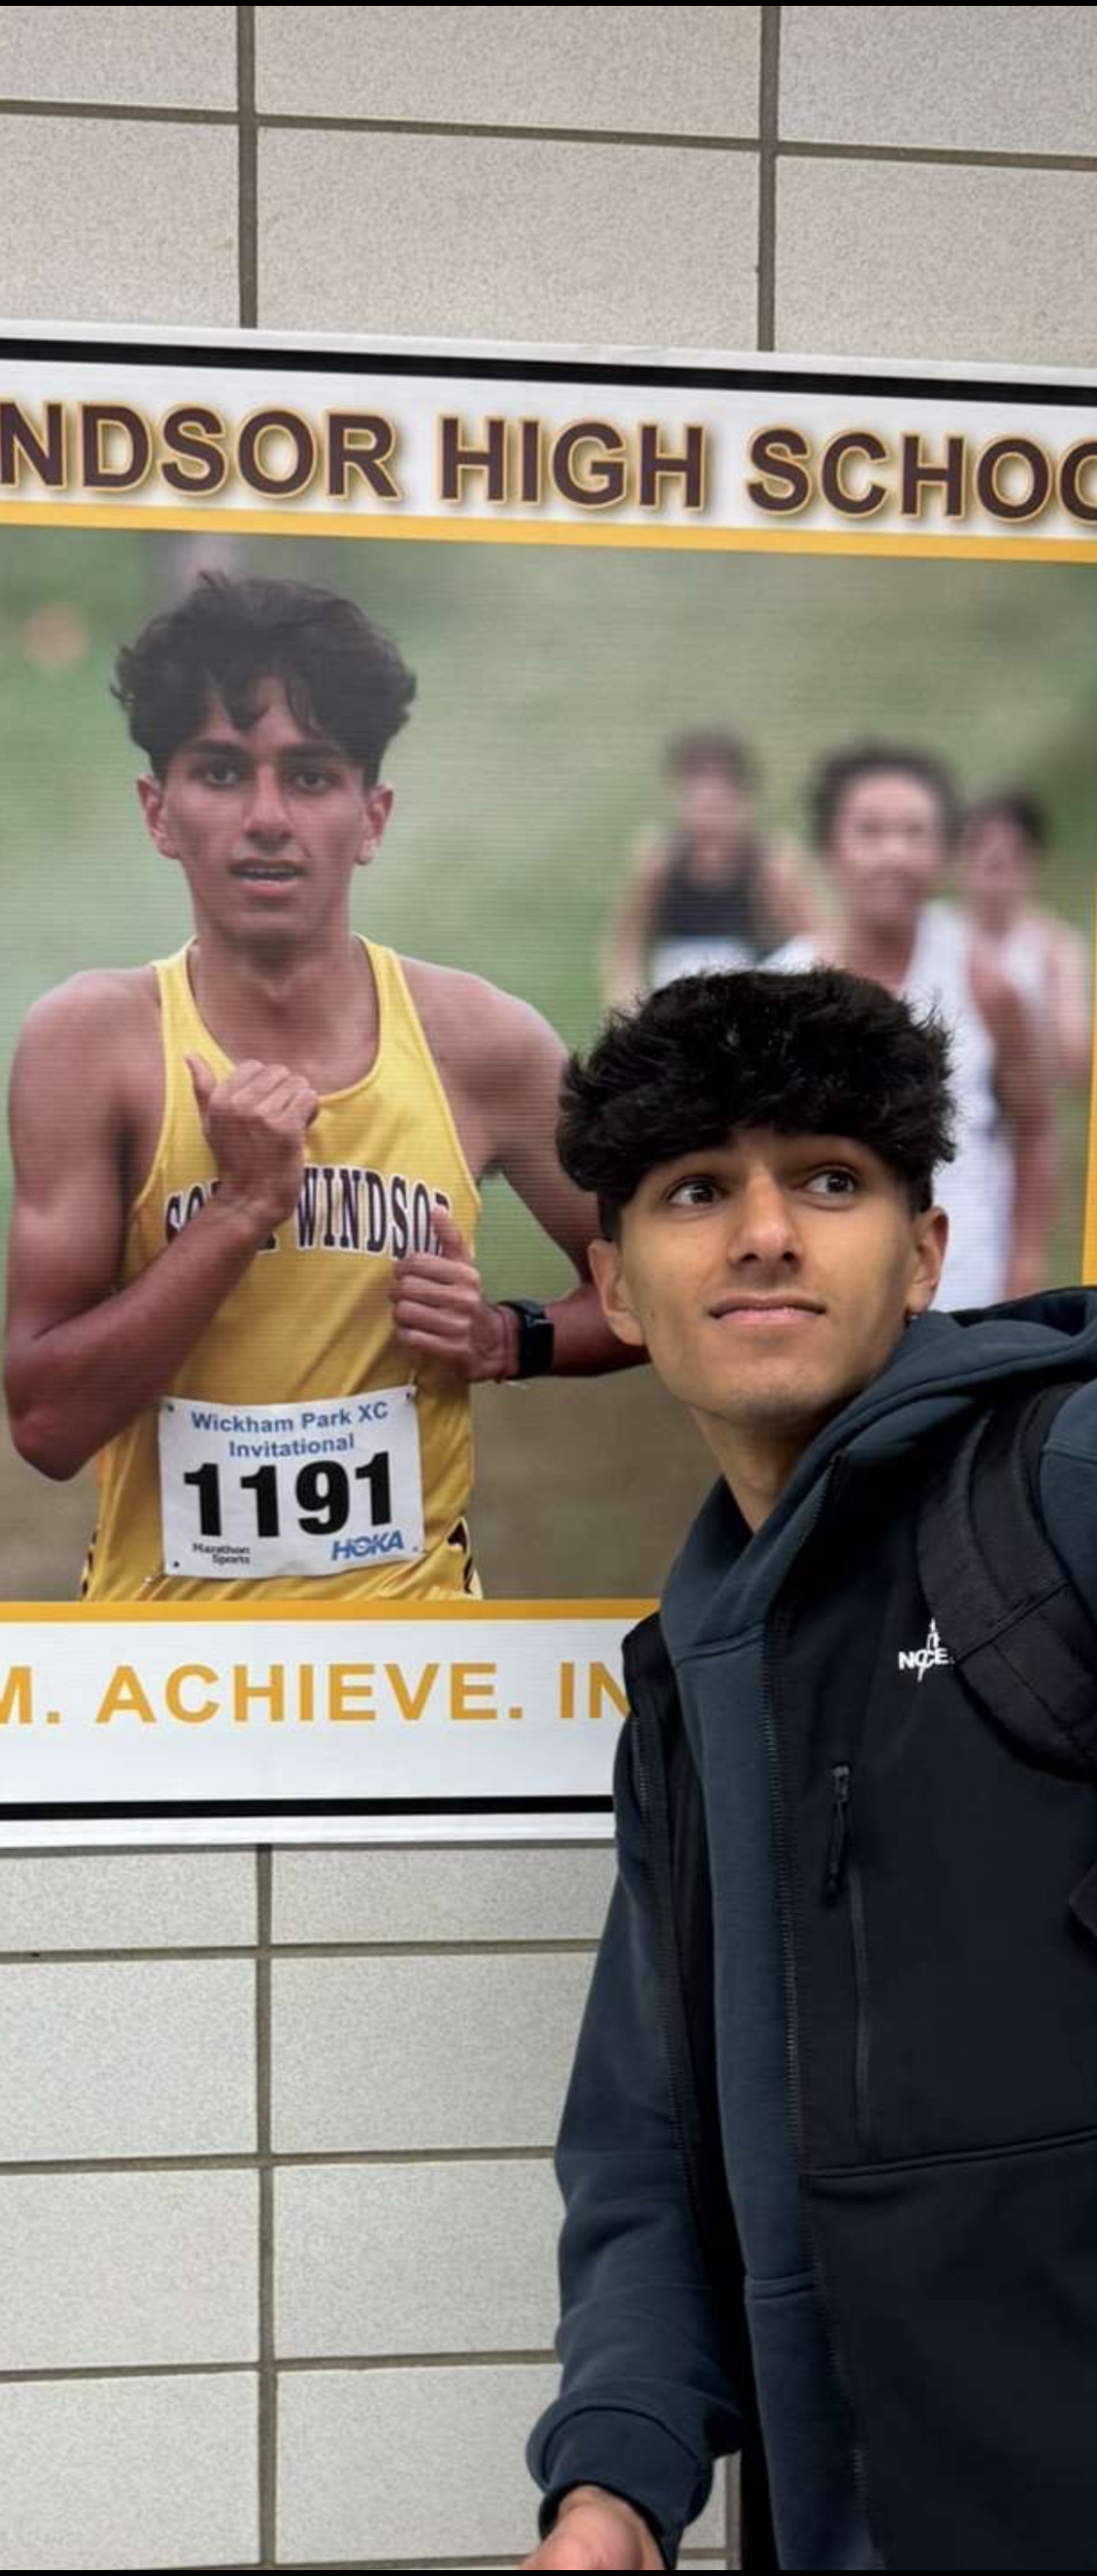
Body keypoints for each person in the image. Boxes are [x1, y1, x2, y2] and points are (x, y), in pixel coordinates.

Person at [522, 966, 1097, 2572]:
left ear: (920, 1254)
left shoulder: (1058, 1481)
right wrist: (614, 2482)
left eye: (829, 1181)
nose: (764, 1232)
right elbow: (642, 2135)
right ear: (617, 1289)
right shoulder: (690, 1675)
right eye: (697, 1188)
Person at [3, 572, 633, 1602]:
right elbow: (46, 1427)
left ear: (371, 815)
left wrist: (507, 1338)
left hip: (414, 1676)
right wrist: (240, 1210)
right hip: (165, 1682)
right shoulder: (91, 1044)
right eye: (219, 771)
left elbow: (661, 1295)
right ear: (159, 812)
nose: (265, 817)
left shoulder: (480, 1040)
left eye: (309, 775)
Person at [767, 744, 1054, 1308]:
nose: (893, 855)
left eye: (914, 833)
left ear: (945, 853)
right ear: (829, 848)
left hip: (965, 1278)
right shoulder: (781, 988)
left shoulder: (985, 983)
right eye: (869, 831)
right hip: (827, 1287)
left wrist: (1023, 1265)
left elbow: (1036, 1131)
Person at [599, 732, 817, 1010]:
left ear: (742, 801)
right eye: (700, 806)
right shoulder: (659, 864)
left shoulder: (771, 866)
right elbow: (623, 947)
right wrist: (626, 1008)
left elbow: (814, 946)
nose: (710, 819)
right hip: (675, 1019)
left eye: (719, 807)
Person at [957, 787, 1091, 1091]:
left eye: (1011, 853)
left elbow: (1076, 1062)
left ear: (1035, 862)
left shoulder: (1057, 949)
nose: (994, 859)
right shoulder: (931, 931)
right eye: (979, 845)